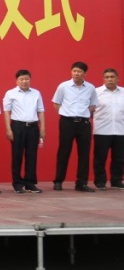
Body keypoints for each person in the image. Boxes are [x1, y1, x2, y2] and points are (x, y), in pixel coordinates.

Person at [52, 61, 98, 191]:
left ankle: (81, 183)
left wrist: (83, 114)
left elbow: (93, 105)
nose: (76, 73)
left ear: (85, 73)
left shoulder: (90, 88)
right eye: (74, 71)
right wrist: (67, 114)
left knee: (84, 153)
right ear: (71, 72)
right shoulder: (63, 86)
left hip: (84, 123)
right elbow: (56, 103)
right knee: (64, 151)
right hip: (67, 122)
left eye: (79, 71)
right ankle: (58, 181)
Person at [2, 69, 45, 194]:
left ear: (30, 80)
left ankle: (30, 183)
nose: (24, 81)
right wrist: (8, 129)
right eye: (21, 79)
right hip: (17, 126)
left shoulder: (36, 93)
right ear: (16, 80)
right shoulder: (10, 93)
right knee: (17, 155)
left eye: (26, 79)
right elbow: (7, 112)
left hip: (33, 127)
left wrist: (42, 128)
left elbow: (41, 111)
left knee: (32, 156)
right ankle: (17, 184)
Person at [93, 68, 124, 190]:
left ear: (117, 78)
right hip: (102, 130)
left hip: (121, 130)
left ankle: (116, 180)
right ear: (103, 79)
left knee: (119, 158)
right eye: (107, 77)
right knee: (100, 157)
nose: (109, 79)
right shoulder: (96, 92)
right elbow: (90, 109)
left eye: (112, 77)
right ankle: (100, 181)